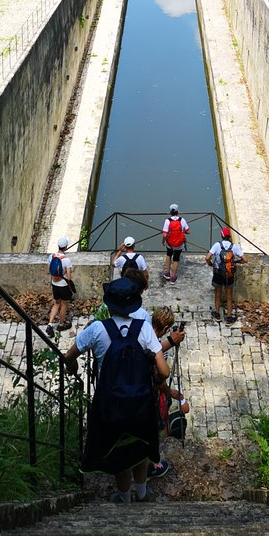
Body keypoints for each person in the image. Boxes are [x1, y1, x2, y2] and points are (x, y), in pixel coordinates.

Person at [64, 277, 169, 504]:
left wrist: (72, 369)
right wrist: (156, 379)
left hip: (111, 404)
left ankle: (124, 497)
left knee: (119, 449)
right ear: (135, 305)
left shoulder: (97, 330)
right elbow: (164, 371)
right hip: (140, 403)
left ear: (109, 305)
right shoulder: (145, 331)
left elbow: (69, 356)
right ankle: (142, 493)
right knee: (140, 445)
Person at [148, 305, 189, 479]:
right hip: (149, 396)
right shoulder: (152, 342)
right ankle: (152, 465)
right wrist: (169, 392)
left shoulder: (145, 333)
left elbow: (154, 348)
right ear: (165, 329)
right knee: (152, 428)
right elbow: (160, 376)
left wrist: (171, 342)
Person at [206, 226, 245, 323]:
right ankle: (228, 317)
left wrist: (211, 264)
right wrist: (235, 262)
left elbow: (207, 258)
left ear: (221, 235)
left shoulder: (217, 245)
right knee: (229, 296)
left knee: (218, 294)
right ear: (230, 236)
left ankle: (217, 314)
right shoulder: (234, 247)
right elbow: (245, 260)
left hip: (218, 273)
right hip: (229, 273)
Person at [46, 236, 74, 336]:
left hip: (54, 284)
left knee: (56, 303)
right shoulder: (66, 260)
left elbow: (48, 271)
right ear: (66, 247)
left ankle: (50, 324)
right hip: (63, 285)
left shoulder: (51, 256)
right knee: (64, 304)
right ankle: (61, 324)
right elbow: (69, 278)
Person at [162, 204, 189, 283]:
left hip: (170, 243)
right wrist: (182, 231)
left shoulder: (168, 221)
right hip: (179, 244)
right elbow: (188, 231)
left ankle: (167, 274)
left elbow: (165, 234)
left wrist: (163, 241)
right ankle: (173, 278)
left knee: (168, 255)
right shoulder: (182, 220)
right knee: (176, 259)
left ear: (170, 212)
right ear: (178, 211)